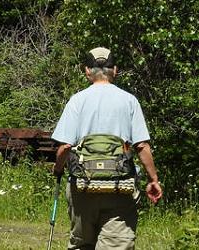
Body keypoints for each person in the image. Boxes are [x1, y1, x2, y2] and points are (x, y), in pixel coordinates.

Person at [52, 47, 163, 249]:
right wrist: (153, 180)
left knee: (81, 244)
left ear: (87, 71)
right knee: (117, 245)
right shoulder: (129, 101)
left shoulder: (77, 101)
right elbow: (141, 145)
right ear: (115, 70)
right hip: (119, 189)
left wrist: (58, 169)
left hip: (83, 187)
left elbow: (65, 146)